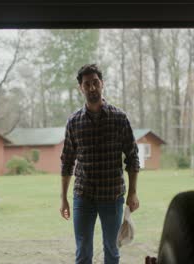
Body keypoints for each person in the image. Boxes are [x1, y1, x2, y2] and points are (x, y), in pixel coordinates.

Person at [60, 64, 140, 264]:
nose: (92, 88)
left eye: (95, 82)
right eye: (87, 84)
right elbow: (67, 160)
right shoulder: (74, 122)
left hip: (112, 195)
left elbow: (132, 157)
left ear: (102, 84)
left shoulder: (119, 118)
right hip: (82, 196)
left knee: (112, 250)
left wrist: (132, 192)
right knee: (83, 251)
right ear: (81, 88)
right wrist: (63, 198)